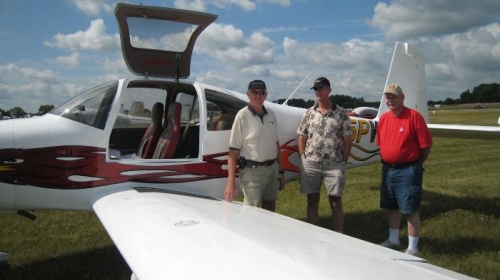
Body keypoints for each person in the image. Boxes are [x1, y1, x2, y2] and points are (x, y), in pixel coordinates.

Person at [376, 84, 433, 256]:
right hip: (388, 169)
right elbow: (381, 143)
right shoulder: (384, 118)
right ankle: (393, 240)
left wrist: (415, 162)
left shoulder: (414, 116)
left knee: (409, 208)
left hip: (408, 169)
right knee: (391, 206)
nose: (390, 100)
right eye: (388, 97)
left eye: (394, 97)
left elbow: (426, 146)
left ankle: (413, 248)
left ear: (402, 98)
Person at [296, 77, 352, 232]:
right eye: (315, 89)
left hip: (333, 164)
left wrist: (342, 162)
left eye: (321, 88)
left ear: (329, 90)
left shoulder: (341, 114)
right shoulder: (309, 113)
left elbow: (348, 141)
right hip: (311, 163)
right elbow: (302, 138)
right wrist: (303, 158)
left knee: (336, 201)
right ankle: (313, 234)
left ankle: (339, 234)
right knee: (312, 200)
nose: (318, 91)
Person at [224, 80, 286, 211]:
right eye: (254, 92)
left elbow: (276, 145)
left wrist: (281, 172)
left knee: (270, 208)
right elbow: (233, 152)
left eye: (261, 92)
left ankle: (268, 232)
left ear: (266, 95)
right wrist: (231, 183)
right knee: (252, 212)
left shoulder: (271, 114)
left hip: (272, 169)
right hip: (252, 172)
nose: (258, 95)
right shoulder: (242, 116)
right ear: (248, 94)